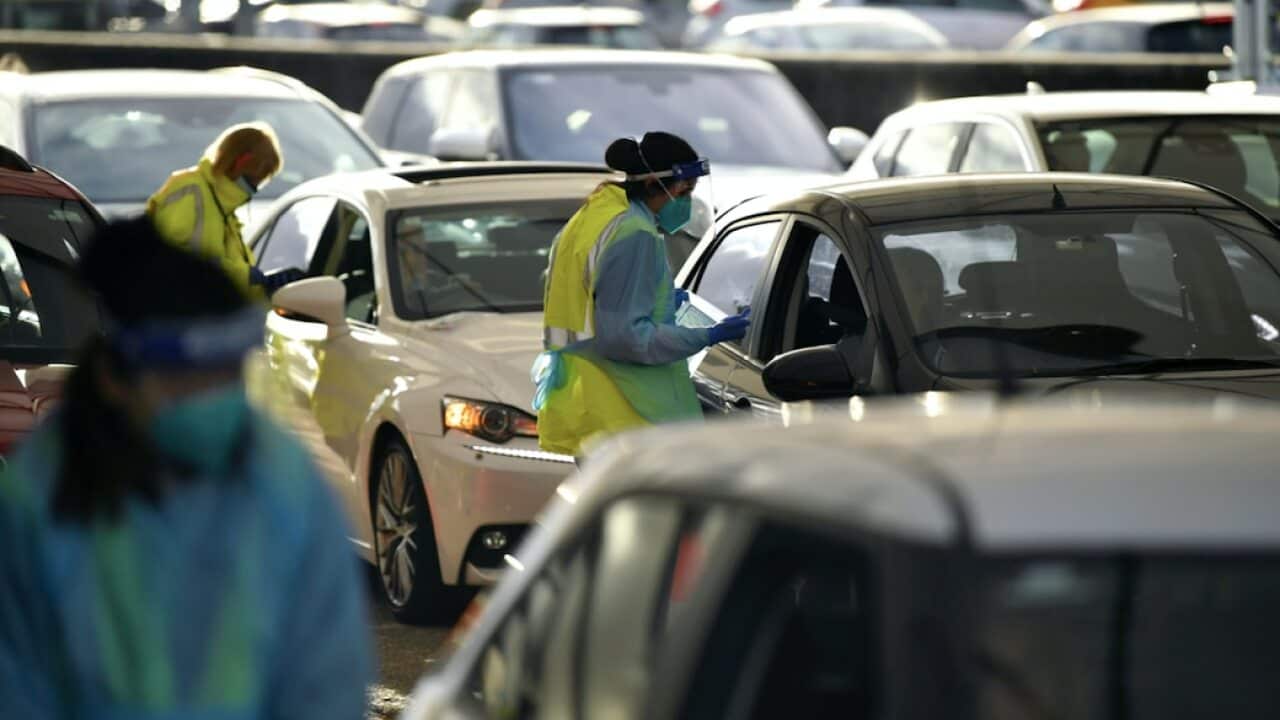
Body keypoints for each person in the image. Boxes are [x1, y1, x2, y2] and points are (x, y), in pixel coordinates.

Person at [0, 216, 373, 719]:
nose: (214, 398)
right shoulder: (39, 497)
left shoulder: (284, 485)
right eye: (189, 379)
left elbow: (327, 680)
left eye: (228, 374)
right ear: (116, 377)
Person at [534, 131, 751, 456]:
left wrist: (659, 301)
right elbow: (627, 338)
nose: (687, 202)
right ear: (654, 184)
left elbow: (600, 301)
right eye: (684, 191)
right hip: (627, 411)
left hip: (593, 402)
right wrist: (706, 335)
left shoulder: (594, 217)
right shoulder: (636, 235)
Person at [147, 122, 303, 299]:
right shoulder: (190, 192)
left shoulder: (221, 204)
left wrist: (264, 285)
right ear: (242, 162)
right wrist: (248, 277)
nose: (255, 188)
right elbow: (178, 263)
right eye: (256, 178)